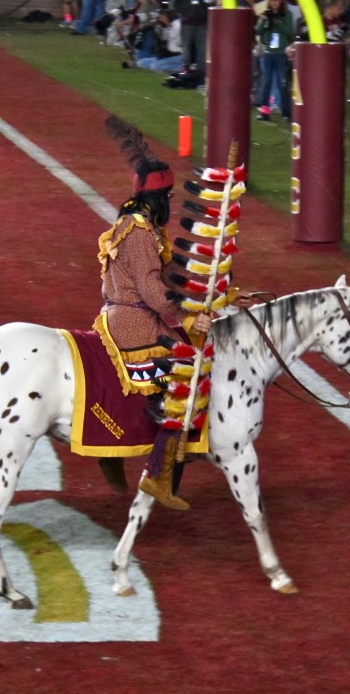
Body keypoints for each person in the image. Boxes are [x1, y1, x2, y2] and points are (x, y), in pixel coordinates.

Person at [95, 115, 213, 510]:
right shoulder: (142, 233)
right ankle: (161, 477)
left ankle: (112, 452)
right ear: (159, 199)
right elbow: (151, 288)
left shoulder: (129, 224)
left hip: (116, 315)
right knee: (188, 376)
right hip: (136, 323)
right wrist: (185, 318)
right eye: (169, 199)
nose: (171, 206)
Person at [254, 0, 294, 122]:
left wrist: (278, 23)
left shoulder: (286, 14)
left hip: (281, 53)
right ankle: (264, 112)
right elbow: (258, 31)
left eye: (276, 0)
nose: (274, 3)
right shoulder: (267, 14)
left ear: (280, 1)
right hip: (268, 53)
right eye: (272, 0)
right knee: (266, 83)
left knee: (282, 83)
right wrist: (264, 20)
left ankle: (286, 113)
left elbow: (290, 32)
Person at [173, 0, 213, 80]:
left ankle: (201, 73)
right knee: (186, 47)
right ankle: (185, 71)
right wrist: (185, 12)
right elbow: (176, 2)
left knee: (202, 49)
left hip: (201, 22)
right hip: (187, 22)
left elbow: (209, 1)